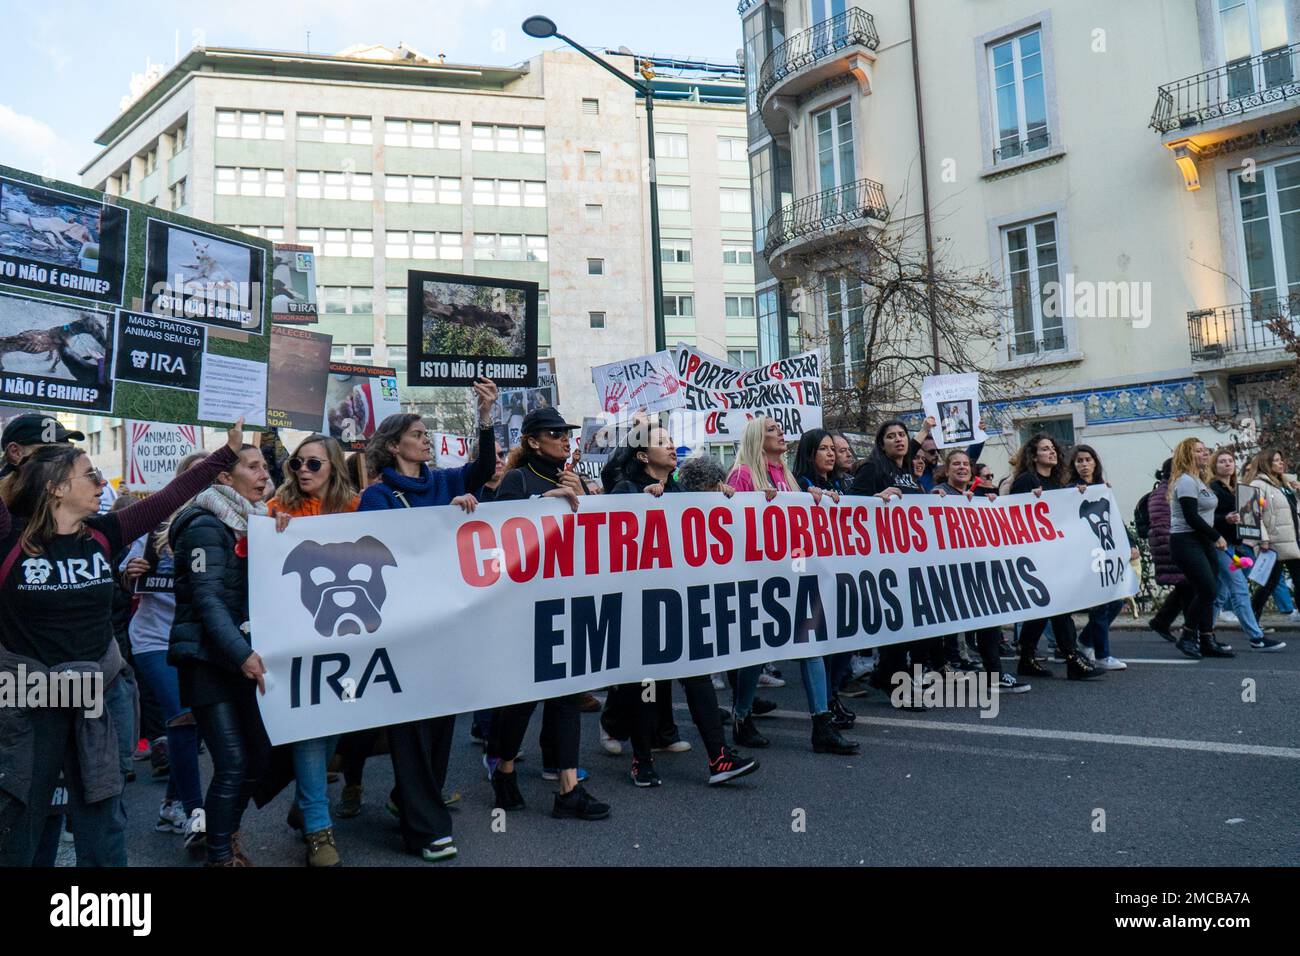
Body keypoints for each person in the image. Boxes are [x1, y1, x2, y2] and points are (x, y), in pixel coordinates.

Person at [0, 417, 247, 867]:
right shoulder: (9, 538)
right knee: (24, 808)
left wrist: (226, 453)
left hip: (100, 689)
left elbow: (170, 496)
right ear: (56, 488)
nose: (99, 482)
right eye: (89, 474)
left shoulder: (104, 533)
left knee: (103, 810)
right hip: (30, 695)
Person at [358, 377, 499, 861]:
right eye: (418, 434)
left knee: (440, 722)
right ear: (395, 445)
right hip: (402, 629)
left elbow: (482, 468)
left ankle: (411, 800)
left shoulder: (441, 483)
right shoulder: (375, 497)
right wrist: (442, 523)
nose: (427, 440)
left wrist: (484, 417)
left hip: (445, 625)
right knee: (411, 727)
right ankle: (424, 828)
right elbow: (380, 552)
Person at [607, 424, 760, 787]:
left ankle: (719, 757)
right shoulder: (625, 489)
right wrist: (638, 502)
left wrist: (717, 498)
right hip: (640, 604)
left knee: (698, 674)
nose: (672, 446)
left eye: (671, 440)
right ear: (642, 455)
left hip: (677, 601)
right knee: (643, 684)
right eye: (661, 442)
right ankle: (641, 759)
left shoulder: (679, 489)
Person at [486, 406, 611, 821]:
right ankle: (503, 768)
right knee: (522, 697)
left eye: (566, 432)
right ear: (533, 441)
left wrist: (590, 498)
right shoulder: (519, 479)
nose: (564, 438)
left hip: (568, 599)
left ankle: (568, 786)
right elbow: (501, 533)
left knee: (567, 693)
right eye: (554, 433)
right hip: (525, 606)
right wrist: (543, 502)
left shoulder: (574, 479)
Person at [168, 429, 276, 867]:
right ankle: (220, 855)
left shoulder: (257, 520)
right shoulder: (203, 525)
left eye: (265, 467)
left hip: (236, 658)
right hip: (209, 662)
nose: (264, 474)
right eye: (252, 466)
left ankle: (222, 832)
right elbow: (209, 599)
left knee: (259, 757)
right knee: (232, 761)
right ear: (225, 479)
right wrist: (243, 654)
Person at [728, 417, 859, 755]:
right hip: (759, 576)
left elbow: (799, 531)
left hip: (794, 574)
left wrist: (815, 499)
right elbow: (732, 527)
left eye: (779, 429)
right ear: (758, 437)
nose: (780, 433)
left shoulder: (786, 477)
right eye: (771, 429)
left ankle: (822, 724)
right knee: (756, 653)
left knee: (809, 644)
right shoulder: (742, 475)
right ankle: (741, 717)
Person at [268, 433, 360, 867]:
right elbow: (249, 557)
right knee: (309, 725)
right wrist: (269, 533)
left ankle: (308, 804)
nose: (302, 471)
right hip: (296, 640)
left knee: (334, 720)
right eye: (297, 464)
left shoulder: (356, 508)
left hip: (349, 643)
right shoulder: (278, 508)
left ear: (334, 468)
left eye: (313, 465)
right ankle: (320, 831)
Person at [118, 452, 208, 856]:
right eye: (193, 477)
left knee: (197, 720)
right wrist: (129, 572)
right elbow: (125, 576)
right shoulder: (156, 523)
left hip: (203, 639)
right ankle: (195, 812)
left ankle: (171, 804)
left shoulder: (229, 521)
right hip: (155, 638)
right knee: (182, 717)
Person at [851, 417, 946, 692]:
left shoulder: (904, 468)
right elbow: (849, 506)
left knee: (916, 623)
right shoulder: (871, 468)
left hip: (910, 557)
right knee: (899, 623)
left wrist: (933, 496)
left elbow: (916, 443)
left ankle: (886, 674)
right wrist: (876, 498)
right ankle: (895, 679)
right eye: (891, 436)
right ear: (881, 444)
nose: (899, 439)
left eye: (902, 434)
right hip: (884, 558)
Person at [935, 449, 1030, 693]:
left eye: (966, 464)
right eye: (956, 464)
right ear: (947, 470)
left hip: (976, 570)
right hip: (950, 572)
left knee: (989, 619)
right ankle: (933, 670)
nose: (962, 467)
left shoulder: (976, 496)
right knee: (941, 627)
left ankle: (994, 675)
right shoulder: (938, 495)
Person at [1008, 433, 1103, 679]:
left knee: (1044, 608)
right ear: (1033, 455)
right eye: (1044, 449)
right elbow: (1013, 516)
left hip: (1055, 554)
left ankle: (1027, 658)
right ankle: (1072, 657)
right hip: (1035, 555)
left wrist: (1078, 493)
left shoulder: (1058, 483)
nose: (1051, 452)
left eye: (1053, 448)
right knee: (1059, 605)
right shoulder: (1027, 480)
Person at [792, 429, 857, 727]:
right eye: (823, 449)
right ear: (809, 454)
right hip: (810, 573)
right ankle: (825, 703)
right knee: (820, 642)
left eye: (833, 449)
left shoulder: (839, 484)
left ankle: (831, 694)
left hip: (838, 572)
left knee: (844, 638)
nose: (831, 454)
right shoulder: (800, 485)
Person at [1164, 438, 1235, 660]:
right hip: (1186, 540)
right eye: (1199, 451)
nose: (1205, 454)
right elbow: (1191, 516)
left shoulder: (1201, 481)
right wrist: (1217, 536)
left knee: (1207, 591)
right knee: (1207, 589)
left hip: (1202, 541)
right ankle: (1187, 635)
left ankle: (1207, 639)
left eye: (1205, 450)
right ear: (1187, 455)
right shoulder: (1185, 481)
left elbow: (1206, 515)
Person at [1067, 444, 1132, 671]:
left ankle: (1085, 641)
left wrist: (1130, 543)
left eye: (1087, 460)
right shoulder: (1070, 490)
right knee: (1100, 605)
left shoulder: (1102, 488)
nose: (1084, 465)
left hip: (1107, 553)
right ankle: (1102, 655)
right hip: (1086, 555)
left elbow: (1115, 520)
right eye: (1079, 461)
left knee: (1116, 599)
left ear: (1095, 462)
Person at [1207, 449, 1278, 652]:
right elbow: (1206, 518)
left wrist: (1254, 513)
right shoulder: (1213, 488)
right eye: (1222, 461)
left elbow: (1246, 516)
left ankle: (1204, 634)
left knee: (1221, 593)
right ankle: (1256, 637)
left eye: (1230, 460)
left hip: (1233, 544)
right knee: (1239, 588)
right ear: (1215, 466)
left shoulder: (1236, 489)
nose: (1227, 464)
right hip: (1220, 545)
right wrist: (1225, 518)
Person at [1243, 448, 1299, 651]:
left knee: (1294, 578)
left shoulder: (1284, 483)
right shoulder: (1257, 484)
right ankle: (1252, 617)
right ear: (1266, 463)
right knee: (1269, 582)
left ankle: (1252, 616)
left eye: (1281, 459)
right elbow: (1251, 515)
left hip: (1292, 539)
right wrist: (1263, 539)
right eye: (1276, 460)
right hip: (1275, 541)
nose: (1280, 463)